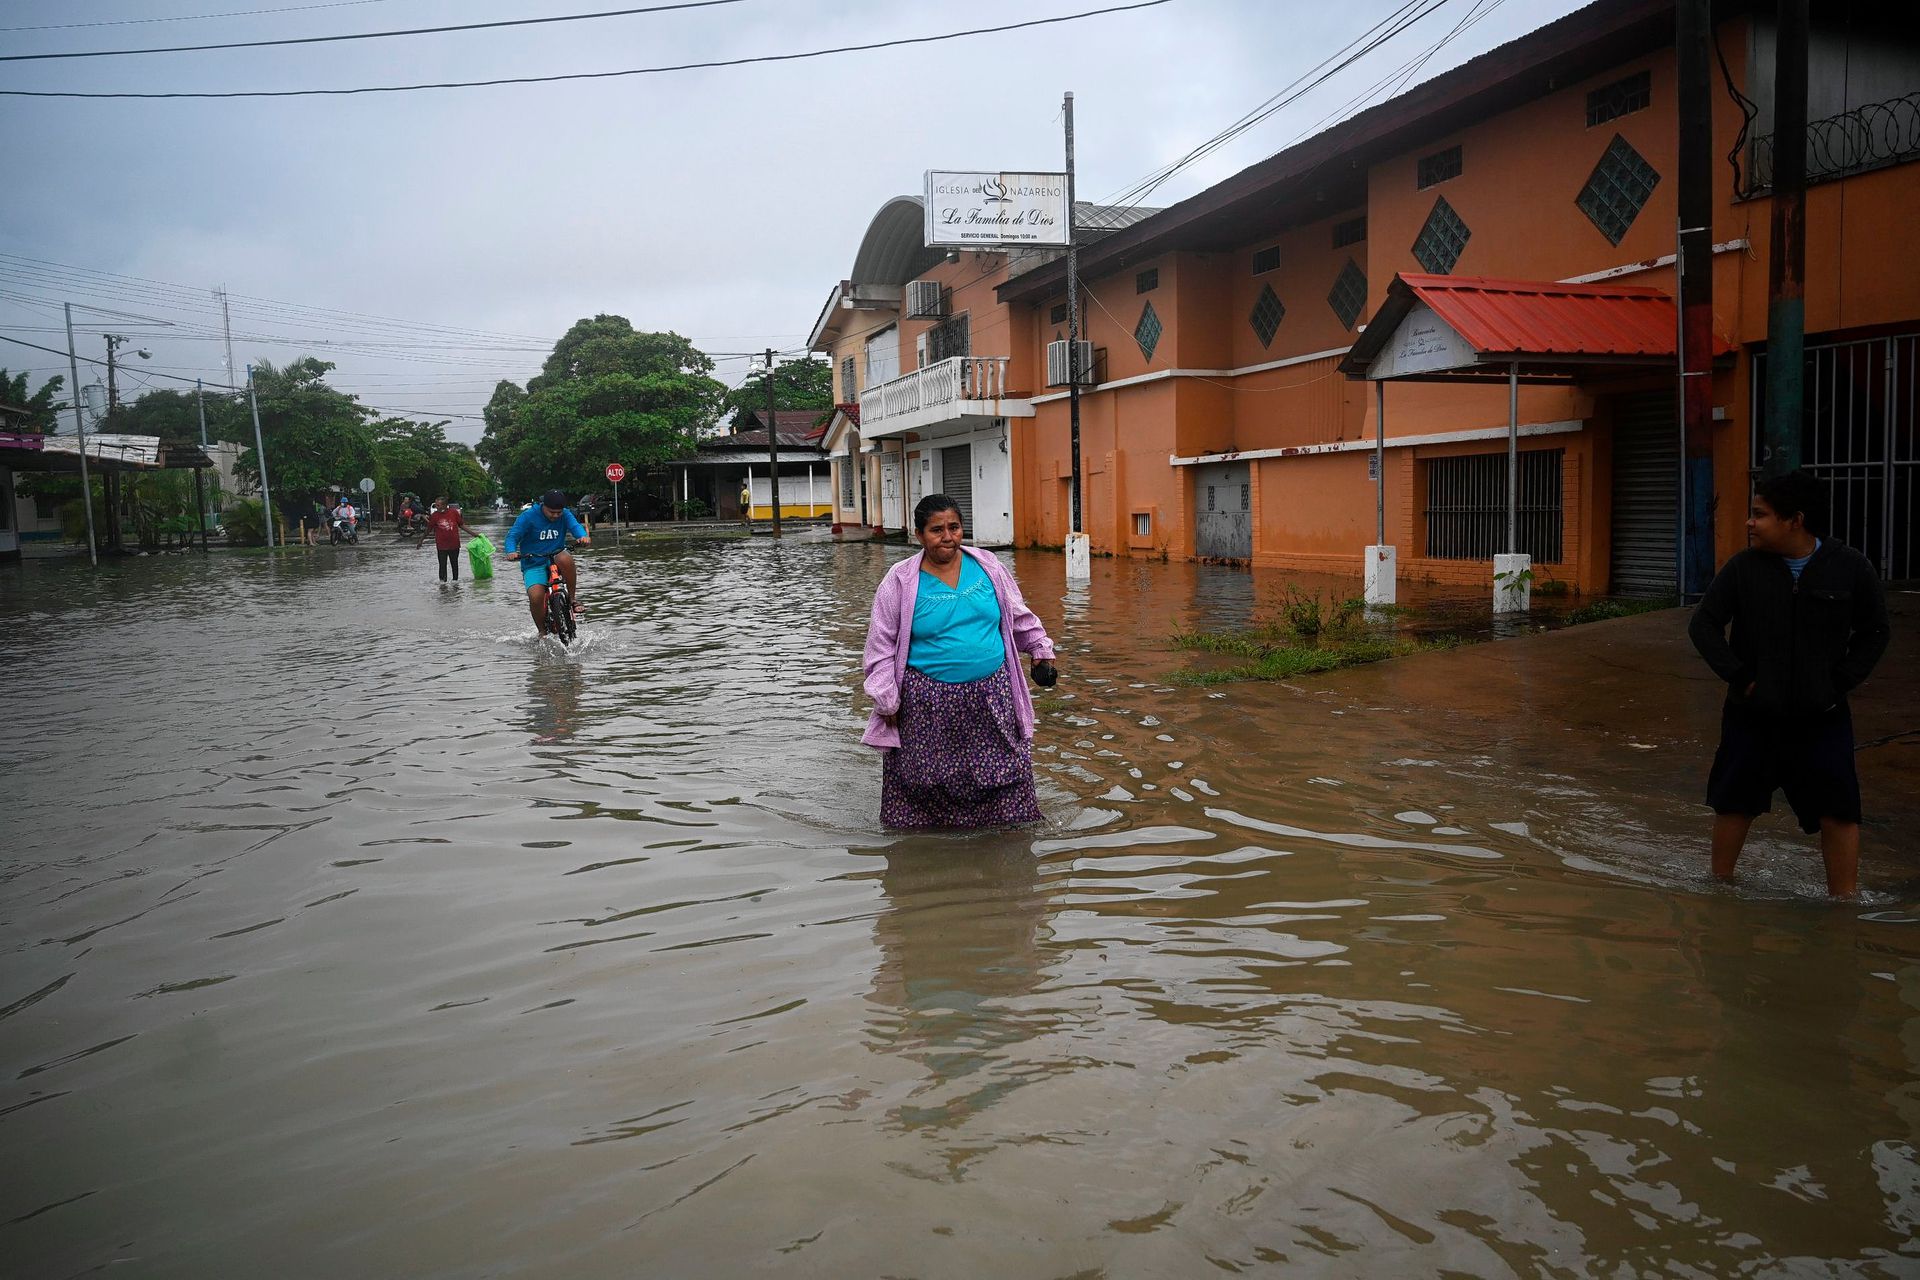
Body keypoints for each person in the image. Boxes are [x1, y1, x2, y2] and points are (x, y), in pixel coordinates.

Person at [1688, 469, 1890, 896]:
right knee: (1734, 803)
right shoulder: (1743, 569)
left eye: (1760, 515)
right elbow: (1704, 624)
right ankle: (1719, 893)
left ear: (1794, 520)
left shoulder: (1849, 567)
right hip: (1752, 715)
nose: (1749, 523)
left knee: (1839, 811)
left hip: (1823, 717)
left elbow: (1874, 632)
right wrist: (1740, 676)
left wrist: (1839, 683)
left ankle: (1843, 904)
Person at [862, 493, 1059, 829]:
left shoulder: (988, 566)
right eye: (937, 529)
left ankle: (1006, 834)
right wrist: (886, 698)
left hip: (992, 696)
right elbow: (881, 645)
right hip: (927, 703)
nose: (948, 536)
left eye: (954, 527)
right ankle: (932, 846)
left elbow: (1016, 615)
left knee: (1005, 767)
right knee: (926, 778)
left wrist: (1040, 651)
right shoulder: (899, 580)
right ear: (919, 535)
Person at [504, 488, 590, 636]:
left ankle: (572, 600)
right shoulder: (528, 516)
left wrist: (583, 537)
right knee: (536, 597)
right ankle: (542, 632)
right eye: (552, 512)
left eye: (559, 513)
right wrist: (511, 551)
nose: (556, 516)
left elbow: (576, 527)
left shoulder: (565, 514)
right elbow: (512, 536)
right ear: (543, 506)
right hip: (533, 562)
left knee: (566, 557)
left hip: (556, 557)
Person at [417, 495, 478, 582]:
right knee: (442, 565)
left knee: (454, 564)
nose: (436, 507)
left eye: (438, 505)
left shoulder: (454, 513)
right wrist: (421, 540)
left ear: (445, 505)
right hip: (441, 546)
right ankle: (443, 585)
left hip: (454, 544)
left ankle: (455, 584)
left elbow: (462, 525)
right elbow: (428, 529)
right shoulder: (434, 516)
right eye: (436, 505)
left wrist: (474, 534)